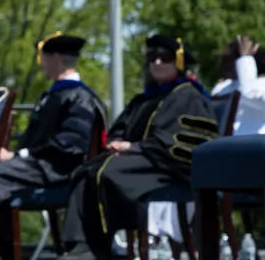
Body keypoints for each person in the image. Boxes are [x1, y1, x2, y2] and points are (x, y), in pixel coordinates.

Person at [63, 35, 219, 260]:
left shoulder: (189, 95)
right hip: (145, 159)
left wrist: (134, 147)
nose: (156, 62)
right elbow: (120, 127)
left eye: (164, 57)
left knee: (108, 173)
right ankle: (82, 245)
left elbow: (180, 144)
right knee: (84, 171)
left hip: (170, 167)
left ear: (179, 62)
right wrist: (117, 144)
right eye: (152, 57)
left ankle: (100, 247)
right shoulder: (145, 98)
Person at [0, 33, 102, 258]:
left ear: (54, 57)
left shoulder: (79, 97)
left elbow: (71, 146)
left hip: (60, 171)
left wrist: (19, 155)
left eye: (43, 58)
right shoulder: (56, 94)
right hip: (41, 166)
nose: (41, 64)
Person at [212, 35, 265, 134]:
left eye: (227, 59)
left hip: (251, 145)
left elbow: (249, 93)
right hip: (223, 144)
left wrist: (245, 57)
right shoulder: (222, 87)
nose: (221, 64)